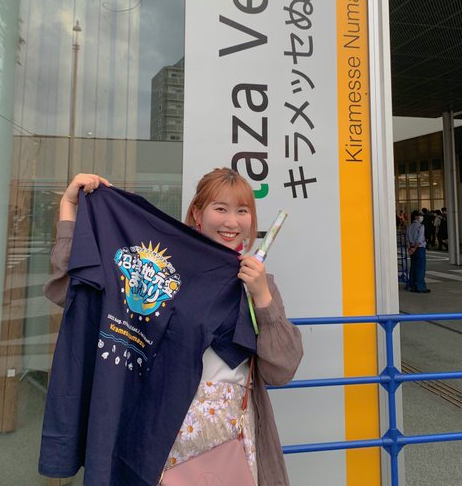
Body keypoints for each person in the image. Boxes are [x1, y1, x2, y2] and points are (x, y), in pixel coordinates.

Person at [43, 169, 303, 486]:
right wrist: (69, 209)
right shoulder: (160, 270)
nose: (232, 222)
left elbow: (282, 370)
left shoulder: (257, 283)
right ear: (197, 213)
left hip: (231, 440)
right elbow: (76, 292)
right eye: (221, 208)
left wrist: (262, 296)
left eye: (242, 211)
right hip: (162, 435)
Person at [405, 210, 430, 293]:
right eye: (420, 215)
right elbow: (419, 239)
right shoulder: (421, 226)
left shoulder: (409, 227)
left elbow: (407, 239)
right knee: (420, 268)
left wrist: (410, 249)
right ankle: (420, 287)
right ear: (416, 217)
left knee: (413, 267)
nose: (421, 217)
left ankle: (411, 285)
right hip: (419, 248)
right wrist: (415, 248)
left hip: (412, 248)